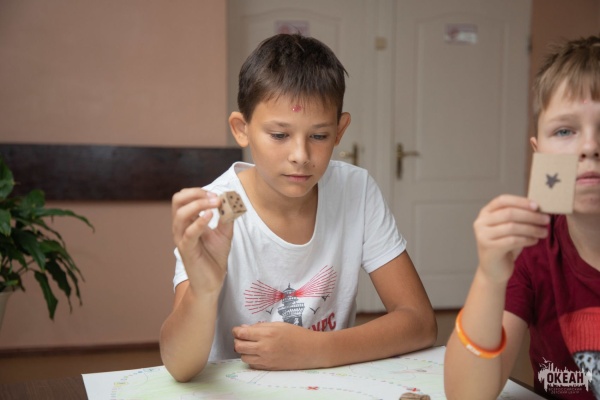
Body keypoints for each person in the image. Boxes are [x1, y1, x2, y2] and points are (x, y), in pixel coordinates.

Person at [159, 33, 437, 383]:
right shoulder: (223, 208)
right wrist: (203, 292)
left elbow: (420, 322)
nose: (300, 156)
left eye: (319, 136)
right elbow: (179, 366)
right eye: (279, 135)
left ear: (340, 130)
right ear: (242, 129)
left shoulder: (354, 189)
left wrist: (317, 350)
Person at [444, 34, 600, 400]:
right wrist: (489, 276)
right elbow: (468, 394)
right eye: (565, 130)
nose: (590, 147)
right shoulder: (533, 250)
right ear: (539, 152)